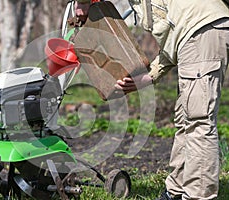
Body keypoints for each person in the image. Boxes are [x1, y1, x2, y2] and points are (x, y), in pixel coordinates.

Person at [75, 0, 229, 199]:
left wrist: (83, 4)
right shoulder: (167, 10)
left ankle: (198, 196)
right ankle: (176, 191)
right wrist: (149, 76)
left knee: (199, 120)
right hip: (193, 35)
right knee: (185, 118)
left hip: (202, 30)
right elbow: (173, 43)